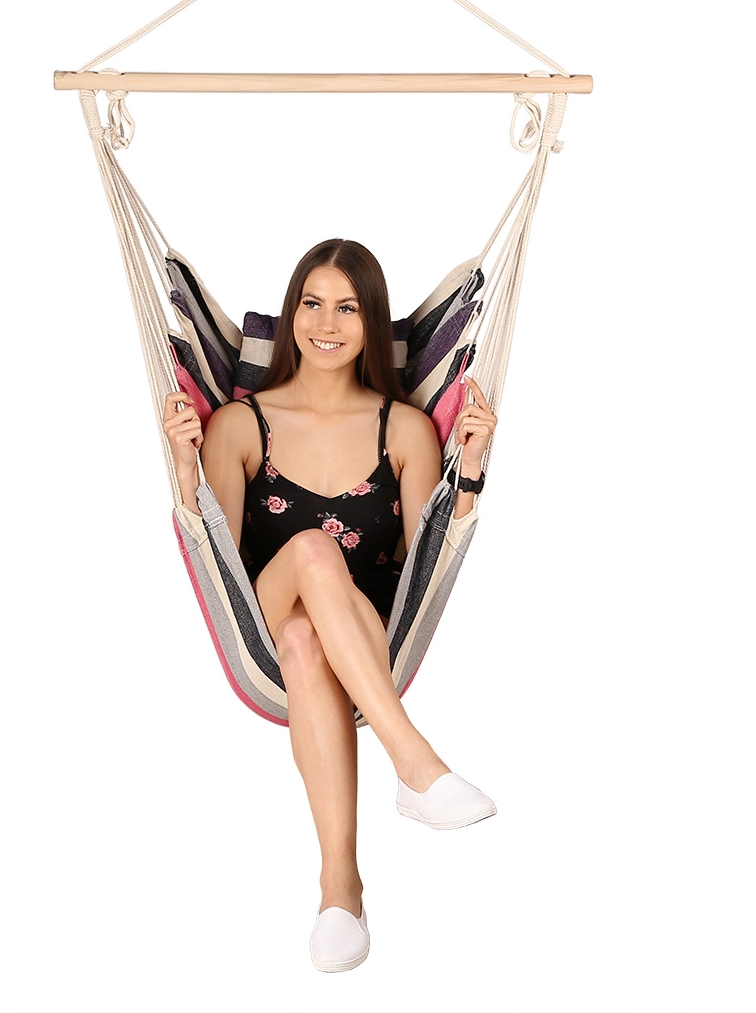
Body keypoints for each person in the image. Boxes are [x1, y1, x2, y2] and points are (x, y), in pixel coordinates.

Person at [161, 238, 498, 973]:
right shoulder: (239, 424)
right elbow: (219, 557)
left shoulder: (404, 429)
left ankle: (340, 891)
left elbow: (423, 558)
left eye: (347, 308)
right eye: (311, 303)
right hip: (262, 614)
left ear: (371, 322)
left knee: (310, 638)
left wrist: (468, 471)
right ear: (291, 315)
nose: (326, 323)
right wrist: (186, 471)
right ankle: (413, 762)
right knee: (312, 552)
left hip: (361, 632)